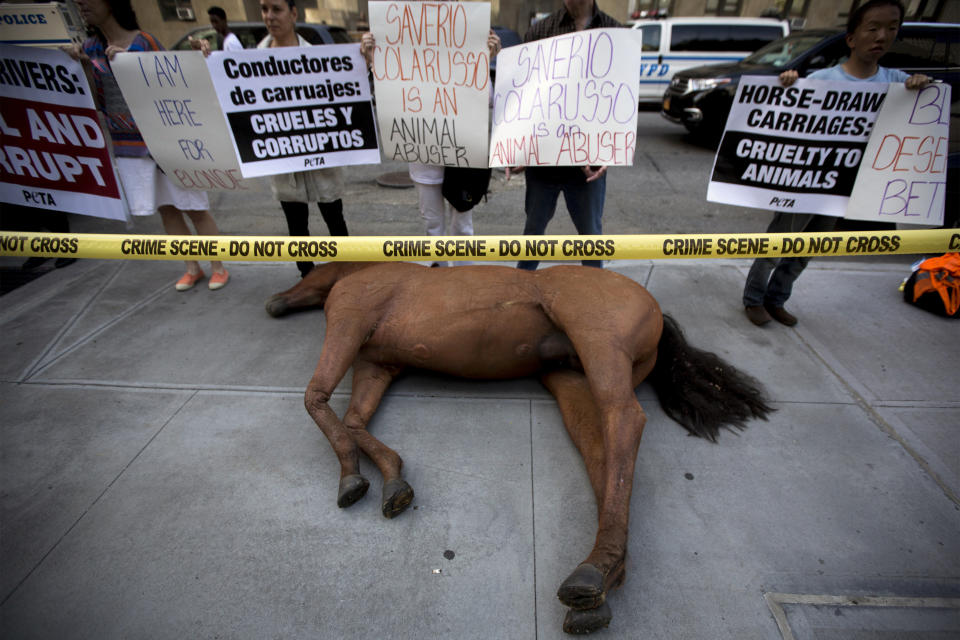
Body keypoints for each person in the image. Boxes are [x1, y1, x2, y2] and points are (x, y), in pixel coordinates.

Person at [742, 0, 931, 327]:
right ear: (851, 38)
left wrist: (920, 88)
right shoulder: (821, 80)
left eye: (891, 29)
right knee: (778, 243)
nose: (881, 36)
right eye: (872, 28)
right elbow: (786, 124)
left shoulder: (898, 84)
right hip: (805, 184)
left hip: (844, 188)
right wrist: (788, 87)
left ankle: (777, 299)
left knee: (808, 249)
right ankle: (754, 299)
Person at [69, 0, 229, 291]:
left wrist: (132, 66)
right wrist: (80, 66)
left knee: (193, 206)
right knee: (166, 208)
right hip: (129, 145)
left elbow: (174, 85)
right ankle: (191, 265)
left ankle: (217, 265)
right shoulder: (90, 48)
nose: (81, 5)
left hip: (165, 141)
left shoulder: (145, 43)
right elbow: (99, 102)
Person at [360, 26, 502, 268]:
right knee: (433, 228)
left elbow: (487, 99)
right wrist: (373, 59)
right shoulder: (408, 49)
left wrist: (484, 59)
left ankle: (462, 280)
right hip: (425, 157)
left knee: (463, 229)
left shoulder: (466, 48)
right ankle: (439, 280)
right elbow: (391, 96)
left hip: (463, 157)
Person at [507, 0, 622, 271]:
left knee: (591, 238)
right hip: (543, 162)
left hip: (588, 165)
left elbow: (619, 101)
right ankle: (522, 296)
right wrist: (518, 146)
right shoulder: (540, 31)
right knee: (532, 234)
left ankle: (594, 297)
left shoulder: (615, 33)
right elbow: (526, 96)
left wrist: (611, 150)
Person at [258, 0, 348, 278]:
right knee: (296, 225)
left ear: (293, 13)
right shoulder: (251, 62)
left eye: (276, 9)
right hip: (285, 160)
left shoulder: (318, 58)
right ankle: (307, 277)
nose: (270, 16)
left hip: (321, 157)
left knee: (335, 218)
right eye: (264, 9)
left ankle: (347, 272)